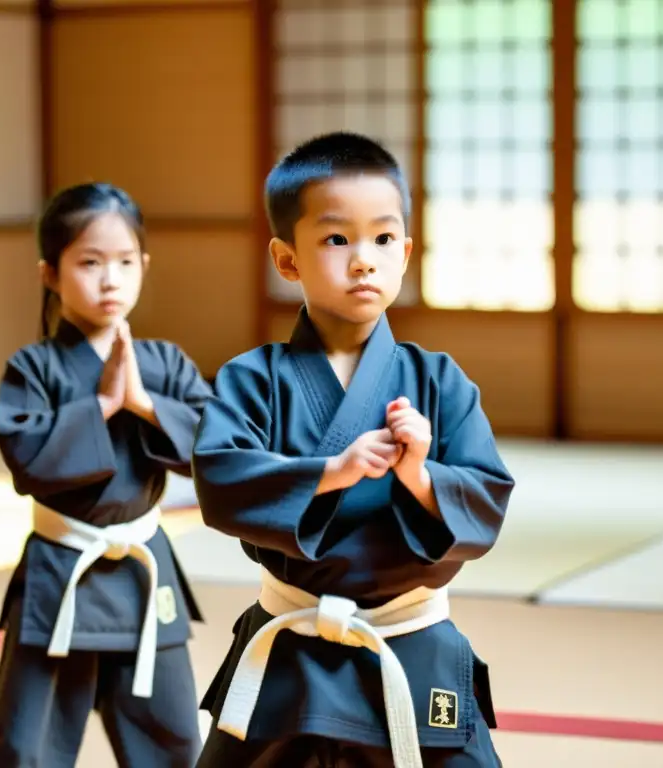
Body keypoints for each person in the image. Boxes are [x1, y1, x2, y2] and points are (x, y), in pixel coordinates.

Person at [192, 132, 515, 767]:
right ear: (287, 261)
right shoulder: (251, 379)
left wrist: (421, 477)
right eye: (337, 239)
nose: (363, 259)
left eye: (383, 238)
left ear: (407, 252)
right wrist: (329, 473)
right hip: (291, 646)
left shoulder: (440, 380)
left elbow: (487, 497)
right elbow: (221, 480)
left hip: (410, 641)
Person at [0, 182, 212, 768]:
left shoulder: (165, 364)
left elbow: (218, 448)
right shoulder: (33, 368)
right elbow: (26, 461)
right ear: (49, 273)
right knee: (25, 742)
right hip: (61, 573)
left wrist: (144, 404)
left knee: (174, 737)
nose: (111, 279)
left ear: (144, 265)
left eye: (126, 262)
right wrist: (100, 407)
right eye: (90, 262)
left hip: (142, 570)